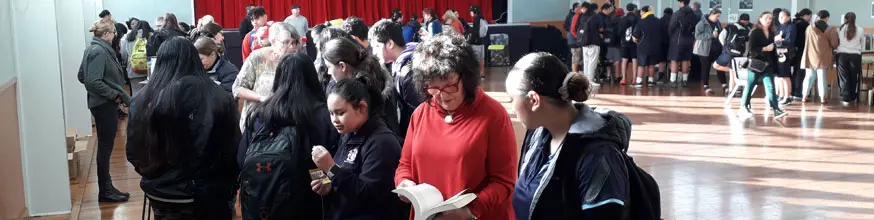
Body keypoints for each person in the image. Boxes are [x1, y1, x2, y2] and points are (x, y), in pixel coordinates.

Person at [395, 34, 517, 220]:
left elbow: (504, 182)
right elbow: (405, 165)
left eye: (450, 86)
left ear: (466, 78)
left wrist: (473, 209)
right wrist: (404, 182)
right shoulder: (421, 114)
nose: (442, 96)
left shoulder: (493, 115)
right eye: (434, 88)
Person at [508, 53, 632, 220]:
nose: (512, 109)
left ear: (533, 100)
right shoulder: (537, 135)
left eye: (512, 100)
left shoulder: (598, 157)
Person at [126, 38, 240, 220]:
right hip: (207, 193)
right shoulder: (218, 96)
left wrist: (153, 176)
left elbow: (133, 150)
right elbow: (233, 148)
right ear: (194, 59)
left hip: (160, 192)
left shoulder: (141, 100)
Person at [237, 53, 339, 220]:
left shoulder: (259, 114)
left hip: (263, 201)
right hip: (309, 200)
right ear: (311, 77)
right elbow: (333, 161)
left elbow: (242, 159)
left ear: (278, 77)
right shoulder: (323, 115)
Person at [310, 77, 405, 220]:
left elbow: (368, 195)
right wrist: (326, 183)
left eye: (340, 113)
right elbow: (342, 176)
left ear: (361, 108)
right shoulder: (349, 134)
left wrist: (331, 169)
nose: (334, 119)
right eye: (331, 113)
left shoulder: (382, 142)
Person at [80, 19, 131, 203]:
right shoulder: (99, 51)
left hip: (101, 103)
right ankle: (105, 190)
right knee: (105, 148)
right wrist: (114, 95)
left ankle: (107, 188)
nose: (115, 37)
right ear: (108, 34)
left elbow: (82, 76)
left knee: (105, 147)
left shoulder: (93, 49)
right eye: (114, 33)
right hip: (103, 104)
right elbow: (92, 81)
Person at [322, 38, 400, 137]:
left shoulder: (362, 93)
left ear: (342, 66)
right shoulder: (376, 77)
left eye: (329, 67)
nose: (328, 72)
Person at [233, 23, 301, 131]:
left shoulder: (298, 60)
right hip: (257, 121)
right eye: (286, 42)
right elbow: (237, 88)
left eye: (294, 42)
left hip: (286, 123)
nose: (292, 47)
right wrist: (261, 98)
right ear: (273, 42)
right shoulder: (258, 57)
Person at [369, 19, 423, 141]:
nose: (374, 52)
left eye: (377, 46)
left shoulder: (408, 73)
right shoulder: (402, 61)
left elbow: (420, 113)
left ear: (390, 44)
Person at [739, 12, 789, 119]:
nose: (769, 20)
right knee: (750, 85)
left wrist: (776, 45)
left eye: (771, 18)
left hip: (768, 63)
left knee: (770, 86)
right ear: (760, 19)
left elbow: (772, 48)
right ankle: (744, 105)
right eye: (766, 18)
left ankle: (776, 109)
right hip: (756, 64)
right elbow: (751, 50)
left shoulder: (771, 32)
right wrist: (765, 48)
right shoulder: (755, 32)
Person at [800, 10, 839, 104]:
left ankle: (804, 96)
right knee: (822, 78)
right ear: (827, 18)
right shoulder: (830, 29)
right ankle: (822, 98)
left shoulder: (809, 28)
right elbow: (835, 44)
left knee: (808, 77)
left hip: (810, 56)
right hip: (823, 56)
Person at [693, 9, 726, 95]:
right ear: (711, 14)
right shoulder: (702, 23)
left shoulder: (717, 23)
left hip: (717, 49)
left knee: (719, 66)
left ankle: (724, 85)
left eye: (719, 16)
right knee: (705, 68)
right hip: (705, 50)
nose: (717, 18)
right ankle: (706, 86)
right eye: (717, 16)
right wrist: (711, 35)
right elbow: (697, 35)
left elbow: (720, 32)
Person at [632, 6, 664, 87]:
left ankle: (639, 81)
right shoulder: (658, 21)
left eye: (641, 12)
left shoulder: (641, 22)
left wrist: (637, 42)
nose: (640, 14)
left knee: (641, 64)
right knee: (651, 64)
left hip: (643, 47)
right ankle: (650, 81)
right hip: (655, 46)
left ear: (644, 11)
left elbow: (635, 36)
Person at [668, 0, 697, 87]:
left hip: (677, 40)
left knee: (674, 60)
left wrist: (672, 36)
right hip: (689, 41)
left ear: (681, 2)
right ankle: (684, 81)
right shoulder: (693, 14)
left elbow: (671, 27)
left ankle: (673, 81)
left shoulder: (677, 14)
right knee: (685, 60)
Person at [836, 12, 863, 105]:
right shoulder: (860, 29)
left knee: (844, 77)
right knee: (853, 76)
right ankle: (852, 96)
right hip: (855, 55)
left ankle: (845, 97)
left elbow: (837, 42)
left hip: (842, 55)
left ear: (845, 19)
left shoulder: (840, 29)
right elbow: (861, 42)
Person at [121, 20, 153, 94]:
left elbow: (124, 54)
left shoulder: (129, 37)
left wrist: (126, 64)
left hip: (133, 69)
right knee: (150, 94)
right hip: (149, 70)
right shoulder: (151, 36)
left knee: (136, 92)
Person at [577, 2, 604, 86]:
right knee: (592, 62)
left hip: (584, 42)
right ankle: (590, 80)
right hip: (594, 42)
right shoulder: (595, 16)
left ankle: (586, 80)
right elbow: (601, 28)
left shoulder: (582, 17)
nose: (581, 10)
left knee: (586, 61)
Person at [775, 10, 797, 104]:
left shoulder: (791, 26)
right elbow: (775, 38)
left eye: (782, 16)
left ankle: (787, 96)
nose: (780, 18)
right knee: (779, 76)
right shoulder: (778, 26)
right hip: (777, 52)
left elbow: (789, 41)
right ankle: (781, 94)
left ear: (788, 17)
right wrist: (778, 40)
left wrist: (779, 40)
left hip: (786, 53)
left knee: (785, 75)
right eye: (779, 17)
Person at [791, 9, 813, 100]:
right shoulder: (805, 26)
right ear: (806, 15)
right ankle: (798, 91)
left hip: (794, 51)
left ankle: (793, 91)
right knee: (801, 71)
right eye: (810, 16)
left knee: (796, 71)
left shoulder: (794, 23)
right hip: (802, 50)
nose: (810, 18)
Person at [618, 4, 640, 85]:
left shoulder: (622, 19)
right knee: (635, 60)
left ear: (626, 9)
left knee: (624, 59)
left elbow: (619, 32)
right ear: (634, 9)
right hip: (635, 42)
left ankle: (623, 78)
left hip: (624, 42)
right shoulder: (638, 18)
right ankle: (634, 78)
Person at [468, 6, 489, 78]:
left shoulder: (476, 18)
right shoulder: (482, 17)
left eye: (471, 11)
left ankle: (476, 74)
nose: (470, 13)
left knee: (476, 58)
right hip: (482, 41)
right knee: (481, 58)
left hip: (476, 42)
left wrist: (470, 41)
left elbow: (475, 31)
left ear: (474, 11)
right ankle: (482, 73)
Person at [568, 3, 586, 73]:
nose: (581, 9)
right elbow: (572, 30)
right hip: (574, 41)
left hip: (579, 40)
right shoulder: (575, 16)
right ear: (576, 8)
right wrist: (578, 38)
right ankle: (574, 73)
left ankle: (580, 72)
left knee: (580, 57)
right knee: (576, 57)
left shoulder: (581, 16)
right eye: (580, 7)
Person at [657, 8, 674, 83]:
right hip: (671, 43)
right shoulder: (673, 20)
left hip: (661, 43)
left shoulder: (659, 21)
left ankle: (661, 77)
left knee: (662, 61)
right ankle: (671, 77)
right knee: (671, 61)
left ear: (664, 13)